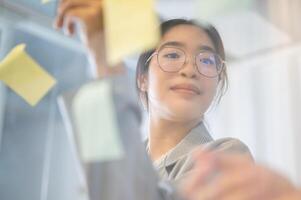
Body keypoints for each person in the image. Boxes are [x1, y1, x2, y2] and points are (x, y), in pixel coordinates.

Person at [54, 0, 301, 200]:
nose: (190, 69)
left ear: (217, 82)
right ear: (142, 78)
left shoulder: (227, 156)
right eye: (172, 54)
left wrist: (104, 62)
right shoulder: (127, 150)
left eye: (206, 60)